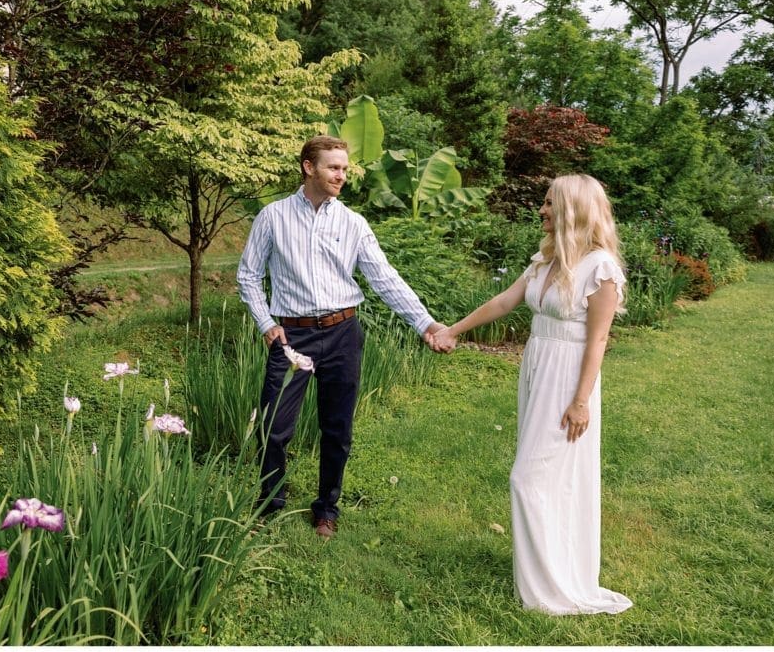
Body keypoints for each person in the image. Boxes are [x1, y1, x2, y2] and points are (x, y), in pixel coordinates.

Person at [429, 173, 633, 615]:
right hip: (537, 368)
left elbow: (597, 341)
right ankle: (545, 570)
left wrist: (581, 401)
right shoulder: (544, 261)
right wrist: (453, 331)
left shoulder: (600, 269)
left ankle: (552, 589)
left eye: (548, 203)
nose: (540, 210)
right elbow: (504, 302)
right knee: (547, 476)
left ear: (573, 209)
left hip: (568, 377)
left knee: (529, 477)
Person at [237, 135, 445, 539]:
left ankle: (326, 509)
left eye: (345, 169)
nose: (341, 176)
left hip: (342, 334)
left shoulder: (353, 223)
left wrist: (426, 324)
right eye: (334, 167)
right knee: (273, 428)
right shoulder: (273, 217)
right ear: (308, 167)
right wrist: (266, 323)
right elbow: (248, 275)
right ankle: (270, 503)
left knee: (337, 429)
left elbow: (384, 279)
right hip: (291, 336)